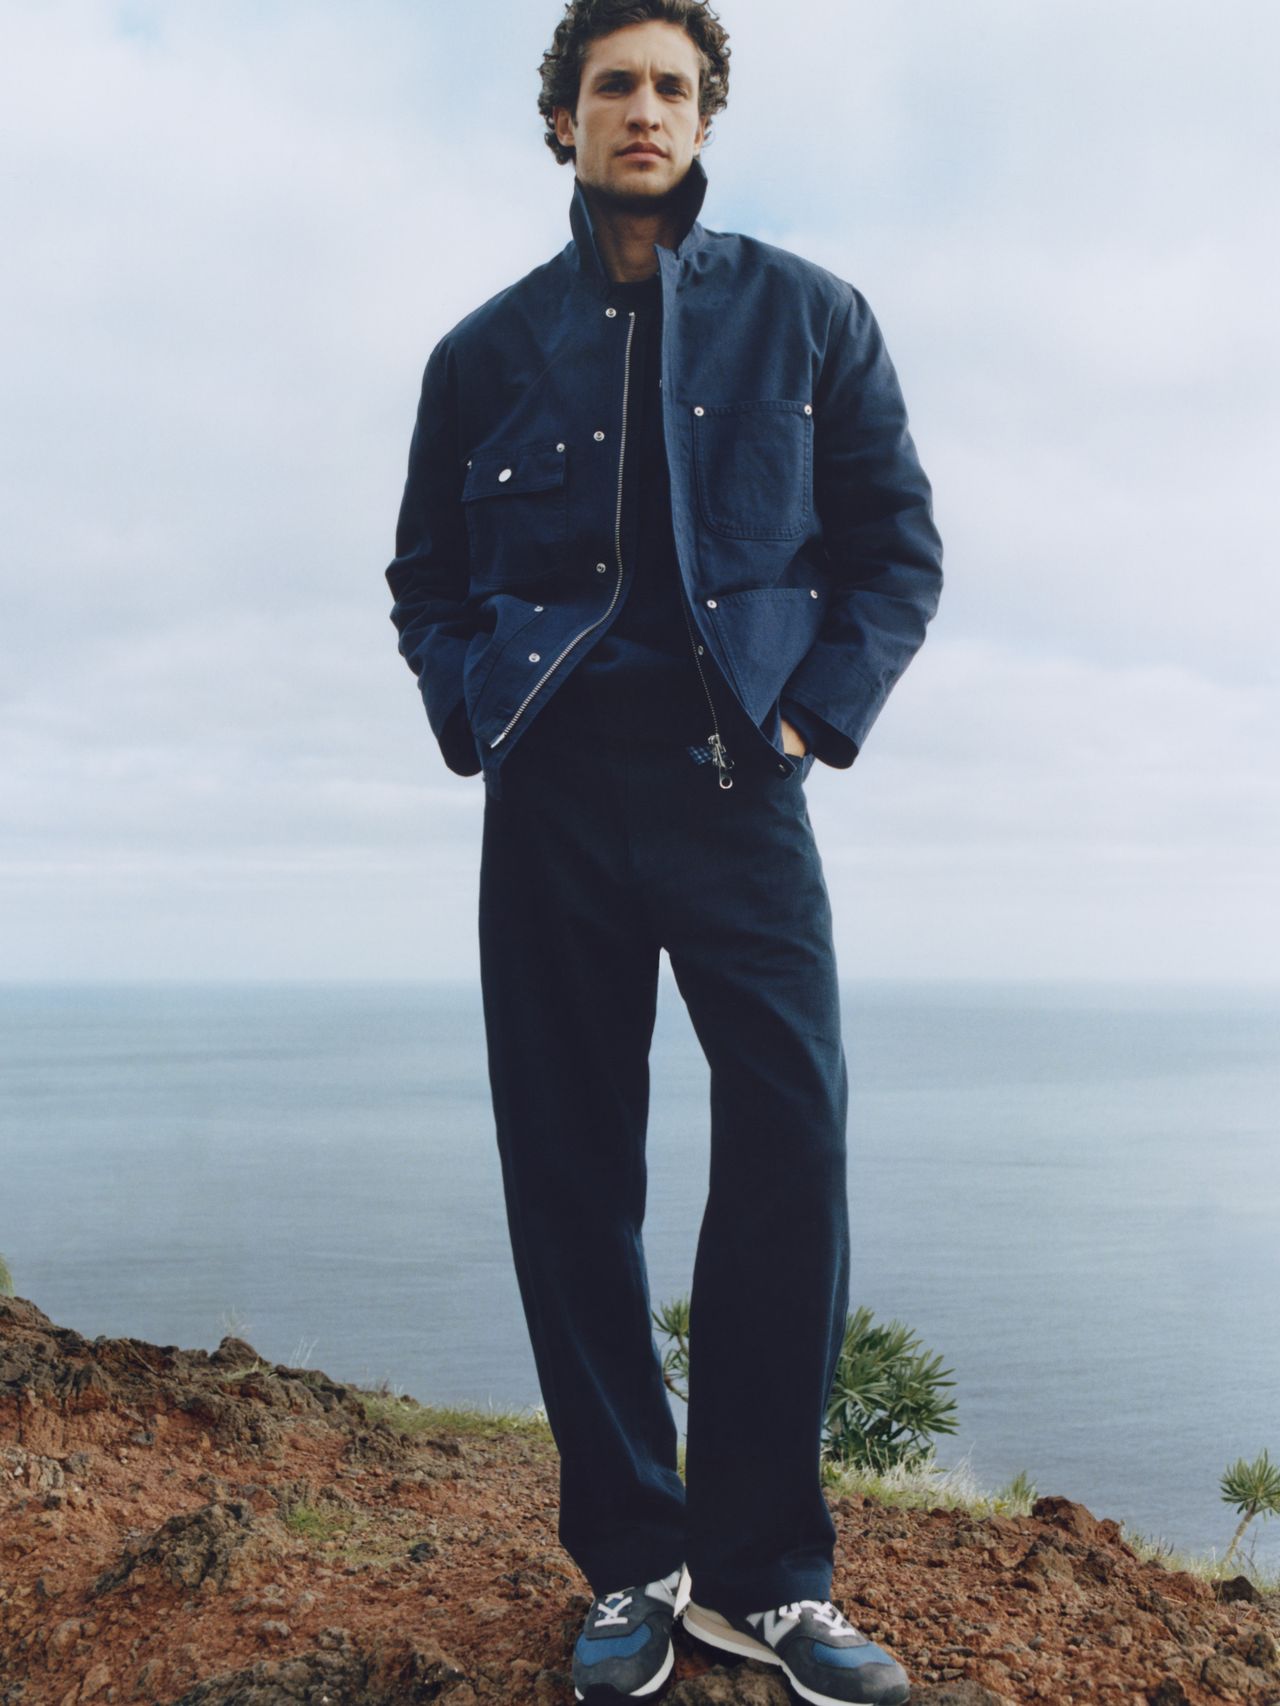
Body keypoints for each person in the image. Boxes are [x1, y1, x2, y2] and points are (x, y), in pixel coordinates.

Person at [385, 3, 943, 1700]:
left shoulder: (811, 320)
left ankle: (768, 1578)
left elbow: (894, 553)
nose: (645, 111)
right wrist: (478, 710)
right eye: (613, 85)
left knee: (793, 1153)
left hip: (737, 792)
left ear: (708, 119)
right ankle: (635, 1560)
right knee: (571, 1179)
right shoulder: (483, 353)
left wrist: (802, 721)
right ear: (562, 119)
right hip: (552, 803)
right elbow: (426, 586)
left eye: (674, 87)